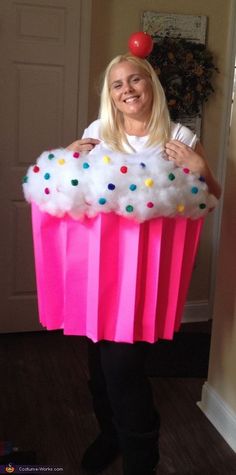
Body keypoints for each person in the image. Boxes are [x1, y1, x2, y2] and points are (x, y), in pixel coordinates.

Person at [67, 53, 221, 475]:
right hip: (100, 270)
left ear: (151, 84)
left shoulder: (179, 137)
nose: (127, 90)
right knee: (99, 365)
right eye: (117, 85)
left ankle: (141, 459)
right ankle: (109, 434)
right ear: (110, 96)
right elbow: (74, 191)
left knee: (123, 369)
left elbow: (212, 197)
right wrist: (65, 159)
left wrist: (202, 169)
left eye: (135, 80)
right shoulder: (98, 133)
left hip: (145, 277)